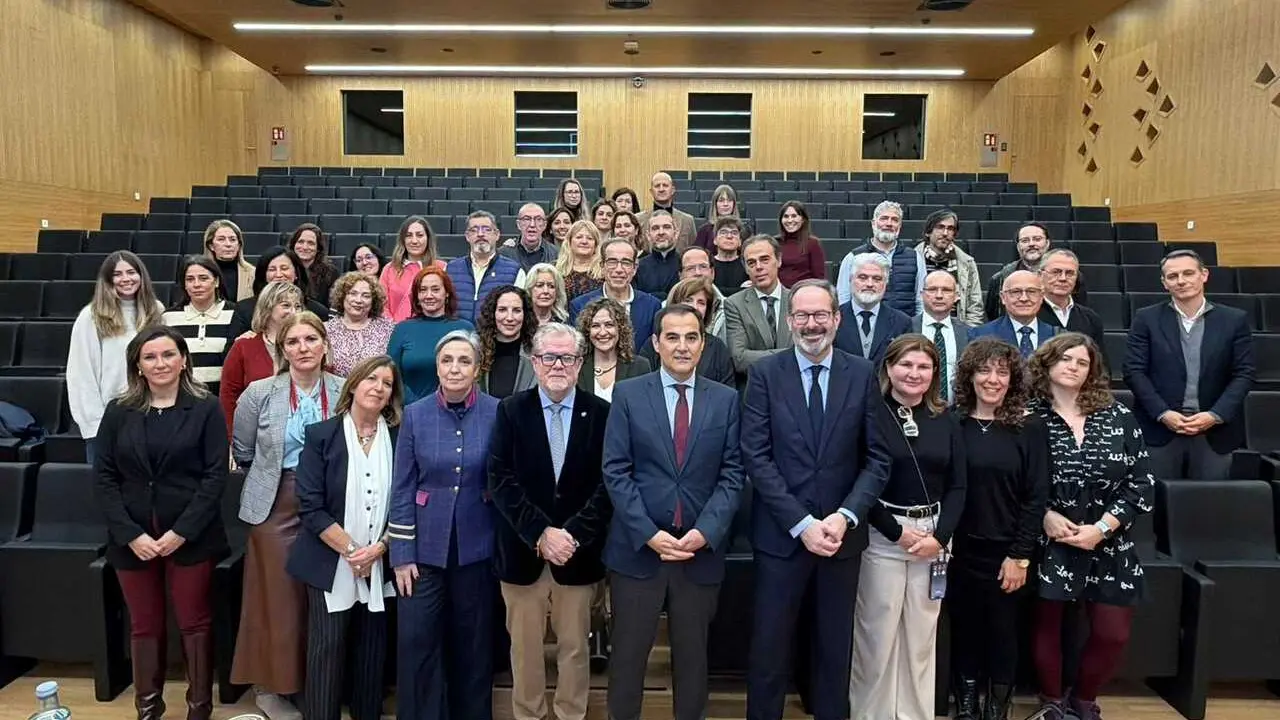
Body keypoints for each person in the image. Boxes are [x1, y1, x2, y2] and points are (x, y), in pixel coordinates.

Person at [741, 279, 891, 720]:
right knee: (769, 649)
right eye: (802, 316)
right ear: (790, 322)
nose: (811, 324)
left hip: (841, 539)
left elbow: (878, 459)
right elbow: (756, 455)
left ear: (837, 318)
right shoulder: (766, 374)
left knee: (833, 649)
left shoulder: (861, 373)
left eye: (820, 315)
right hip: (781, 539)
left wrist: (844, 517)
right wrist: (802, 523)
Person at [603, 304, 745, 720]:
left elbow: (733, 475)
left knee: (693, 662)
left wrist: (705, 532)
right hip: (638, 551)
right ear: (656, 342)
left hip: (698, 552)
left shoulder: (726, 400)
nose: (682, 346)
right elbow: (615, 469)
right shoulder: (628, 394)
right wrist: (648, 532)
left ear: (703, 344)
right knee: (627, 661)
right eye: (673, 337)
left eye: (691, 337)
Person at [94, 325, 228, 720]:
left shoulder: (206, 406)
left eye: (168, 354)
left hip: (191, 535)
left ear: (184, 359)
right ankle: (148, 708)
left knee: (194, 623)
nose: (160, 363)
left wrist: (180, 533)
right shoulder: (119, 410)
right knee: (144, 625)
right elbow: (103, 476)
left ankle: (199, 709)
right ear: (138, 364)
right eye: (150, 357)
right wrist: (130, 534)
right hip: (131, 537)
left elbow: (214, 476)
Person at [488, 323, 613, 720]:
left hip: (578, 555)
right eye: (548, 357)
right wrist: (541, 533)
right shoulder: (510, 410)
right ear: (535, 361)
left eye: (567, 357)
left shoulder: (601, 413)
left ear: (580, 362)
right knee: (523, 650)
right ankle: (529, 714)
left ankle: (571, 713)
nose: (557, 365)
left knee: (575, 648)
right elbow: (500, 479)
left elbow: (608, 484)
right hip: (523, 553)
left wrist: (571, 535)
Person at [1028, 333, 1154, 720]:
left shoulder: (1118, 415)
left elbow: (1141, 483)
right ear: (1048, 364)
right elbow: (1015, 481)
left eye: (1082, 362)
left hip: (1109, 541)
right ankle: (1051, 703)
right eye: (1065, 359)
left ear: (1092, 371)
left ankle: (1084, 700)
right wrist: (1045, 516)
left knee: (1112, 633)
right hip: (1049, 539)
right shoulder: (1027, 415)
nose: (1073, 367)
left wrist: (1101, 527)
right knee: (1046, 629)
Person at [232, 312, 346, 720]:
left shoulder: (343, 388)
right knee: (278, 600)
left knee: (317, 599)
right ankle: (274, 687)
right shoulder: (259, 392)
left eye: (311, 339)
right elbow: (243, 449)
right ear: (283, 350)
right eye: (293, 342)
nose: (303, 348)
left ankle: (314, 683)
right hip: (274, 503)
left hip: (329, 503)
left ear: (324, 344)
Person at [850, 334, 966, 720]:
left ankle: (916, 714)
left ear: (935, 373)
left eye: (924, 366)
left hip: (933, 538)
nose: (914, 373)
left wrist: (940, 538)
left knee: (921, 636)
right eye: (906, 364)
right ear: (888, 368)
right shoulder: (870, 413)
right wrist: (896, 532)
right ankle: (872, 713)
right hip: (884, 534)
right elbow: (859, 479)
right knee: (877, 632)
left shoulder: (945, 418)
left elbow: (958, 485)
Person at [388, 330, 501, 720]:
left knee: (472, 647)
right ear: (436, 366)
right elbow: (402, 487)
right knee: (418, 643)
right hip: (422, 552)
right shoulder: (415, 415)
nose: (455, 368)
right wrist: (401, 555)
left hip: (477, 547)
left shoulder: (497, 411)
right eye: (447, 360)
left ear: (477, 368)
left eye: (464, 361)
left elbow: (503, 479)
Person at [286, 355, 403, 720]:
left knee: (372, 653)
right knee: (327, 650)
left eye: (386, 383)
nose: (378, 387)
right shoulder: (322, 435)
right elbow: (310, 506)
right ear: (353, 384)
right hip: (331, 561)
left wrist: (379, 550)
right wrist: (354, 552)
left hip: (381, 562)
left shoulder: (400, 437)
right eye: (372, 379)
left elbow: (405, 503)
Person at [947, 338, 1049, 720]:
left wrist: (1020, 556)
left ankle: (998, 707)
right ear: (969, 376)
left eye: (1002, 372)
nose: (993, 379)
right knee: (966, 630)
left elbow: (1037, 496)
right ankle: (968, 704)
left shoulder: (1029, 427)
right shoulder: (953, 421)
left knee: (1004, 633)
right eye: (984, 371)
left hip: (1008, 551)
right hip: (959, 550)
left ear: (1012, 380)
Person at [1123, 249, 1254, 481]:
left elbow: (1244, 373)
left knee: (1208, 508)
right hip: (1160, 430)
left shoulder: (1234, 320)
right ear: (1164, 283)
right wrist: (1163, 413)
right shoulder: (1146, 318)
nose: (1181, 281)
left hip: (1215, 432)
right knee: (1155, 505)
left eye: (1188, 273)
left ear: (1204, 275)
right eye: (1172, 276)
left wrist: (1215, 415)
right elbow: (1134, 371)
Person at [68, 250, 166, 463]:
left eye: (131, 272)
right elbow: (81, 373)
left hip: (151, 414)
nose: (126, 279)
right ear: (107, 280)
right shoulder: (91, 316)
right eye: (117, 274)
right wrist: (94, 424)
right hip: (108, 419)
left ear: (141, 275)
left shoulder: (156, 311)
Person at [219, 282, 302, 438]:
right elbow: (228, 397)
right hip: (254, 437)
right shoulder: (244, 346)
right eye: (286, 305)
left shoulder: (308, 345)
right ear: (268, 308)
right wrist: (231, 440)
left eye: (298, 306)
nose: (293, 311)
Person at [386, 266, 475, 403]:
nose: (429, 295)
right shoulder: (402, 329)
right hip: (410, 411)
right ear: (417, 296)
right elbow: (391, 374)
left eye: (435, 289)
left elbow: (474, 374)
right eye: (423, 290)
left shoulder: (465, 328)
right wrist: (419, 407)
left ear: (446, 293)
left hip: (457, 409)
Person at [567, 238, 663, 353]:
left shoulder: (652, 306)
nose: (619, 269)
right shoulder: (580, 305)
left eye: (626, 263)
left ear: (635, 268)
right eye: (612, 262)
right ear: (602, 267)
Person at [725, 235, 792, 385]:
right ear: (746, 268)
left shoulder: (798, 300)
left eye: (765, 259)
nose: (759, 267)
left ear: (779, 260)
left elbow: (810, 351)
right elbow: (740, 359)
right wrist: (792, 355)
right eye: (751, 262)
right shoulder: (734, 304)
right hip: (755, 387)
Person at [163, 255, 235, 396]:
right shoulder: (168, 318)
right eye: (190, 279)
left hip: (223, 397)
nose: (196, 284)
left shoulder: (236, 314)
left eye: (203, 278)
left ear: (216, 281)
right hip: (182, 397)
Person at [986, 223, 1088, 322]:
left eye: (1037, 239)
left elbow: (1078, 313)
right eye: (1025, 240)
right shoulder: (1001, 278)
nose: (1031, 244)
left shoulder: (1071, 277)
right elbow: (993, 316)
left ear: (1047, 243)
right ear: (1018, 247)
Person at [838, 201, 924, 316]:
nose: (889, 223)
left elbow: (921, 300)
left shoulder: (915, 257)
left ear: (900, 226)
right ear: (873, 223)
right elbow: (843, 299)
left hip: (905, 328)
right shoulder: (853, 257)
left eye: (895, 220)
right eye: (884, 218)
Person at [226, 247, 331, 339]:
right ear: (264, 276)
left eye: (284, 268)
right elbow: (229, 354)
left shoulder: (318, 312)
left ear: (296, 274)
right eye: (272, 269)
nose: (279, 274)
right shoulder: (244, 309)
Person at [834, 253, 912, 369]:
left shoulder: (902, 322)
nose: (869, 284)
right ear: (850, 280)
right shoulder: (833, 318)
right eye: (863, 277)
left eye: (877, 279)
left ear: (886, 284)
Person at [448, 211, 526, 323]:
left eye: (487, 229)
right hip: (459, 337)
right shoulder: (451, 269)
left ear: (497, 235)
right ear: (467, 236)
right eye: (474, 230)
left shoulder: (515, 272)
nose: (480, 234)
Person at [910, 270, 972, 404]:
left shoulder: (969, 334)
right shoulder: (906, 328)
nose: (939, 295)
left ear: (956, 296)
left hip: (956, 414)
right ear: (922, 295)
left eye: (946, 290)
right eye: (932, 289)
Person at [913, 209, 984, 326]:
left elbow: (975, 305)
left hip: (956, 328)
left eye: (950, 229)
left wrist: (969, 334)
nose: (945, 233)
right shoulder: (912, 260)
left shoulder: (967, 263)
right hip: (920, 328)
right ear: (928, 232)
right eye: (940, 227)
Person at [1037, 249, 1108, 365]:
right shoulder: (1029, 315)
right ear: (1040, 275)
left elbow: (1101, 365)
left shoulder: (1090, 318)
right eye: (1056, 272)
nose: (1063, 278)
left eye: (1070, 273)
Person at [576, 297, 651, 403]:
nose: (602, 332)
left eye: (609, 325)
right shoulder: (577, 365)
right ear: (587, 331)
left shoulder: (640, 366)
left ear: (621, 328)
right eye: (595, 326)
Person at [971, 271, 1058, 358]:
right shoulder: (980, 335)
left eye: (1031, 291)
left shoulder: (1056, 336)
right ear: (1003, 297)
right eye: (1016, 292)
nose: (1024, 298)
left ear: (1041, 297)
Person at [324, 271, 395, 377]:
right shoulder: (325, 329)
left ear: (373, 301)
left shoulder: (389, 328)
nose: (358, 300)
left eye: (366, 296)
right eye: (353, 293)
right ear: (342, 296)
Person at [475, 285, 538, 399]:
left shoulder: (536, 354)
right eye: (502, 310)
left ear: (525, 315)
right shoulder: (477, 352)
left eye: (516, 310)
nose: (510, 317)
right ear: (492, 313)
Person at [380, 215, 446, 323]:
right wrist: (393, 327)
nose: (414, 241)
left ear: (428, 238)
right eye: (409, 236)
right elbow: (381, 305)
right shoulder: (389, 269)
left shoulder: (442, 267)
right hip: (394, 331)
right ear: (403, 240)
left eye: (419, 235)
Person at [673, 247, 726, 340]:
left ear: (712, 272)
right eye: (690, 268)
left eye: (703, 267)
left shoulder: (730, 308)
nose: (698, 273)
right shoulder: (665, 307)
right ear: (680, 275)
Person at [637, 172, 696, 249]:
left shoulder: (688, 220)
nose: (661, 189)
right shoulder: (638, 219)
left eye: (665, 185)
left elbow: (692, 249)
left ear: (672, 190)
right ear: (651, 191)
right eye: (657, 186)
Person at [287, 223, 339, 308]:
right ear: (293, 245)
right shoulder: (285, 270)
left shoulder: (331, 273)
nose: (304, 247)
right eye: (300, 242)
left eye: (310, 243)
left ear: (318, 248)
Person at [775, 201, 826, 287]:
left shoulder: (813, 243)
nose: (790, 220)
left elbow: (818, 278)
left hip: (803, 293)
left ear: (803, 219)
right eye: (786, 216)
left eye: (794, 216)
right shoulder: (774, 242)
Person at [203, 219, 255, 302]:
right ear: (211, 246)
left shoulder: (252, 273)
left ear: (239, 245)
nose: (228, 244)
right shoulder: (201, 273)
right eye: (221, 239)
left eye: (233, 239)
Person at [634, 211, 683, 297]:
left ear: (676, 233)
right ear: (648, 235)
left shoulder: (685, 264)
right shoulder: (638, 267)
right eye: (655, 228)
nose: (661, 232)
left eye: (666, 227)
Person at [554, 220, 604, 301]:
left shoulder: (604, 270)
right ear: (569, 242)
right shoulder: (555, 269)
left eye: (590, 238)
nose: (584, 241)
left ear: (596, 245)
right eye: (579, 237)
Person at [501, 203, 558, 271]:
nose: (532, 224)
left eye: (538, 219)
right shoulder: (504, 254)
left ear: (544, 225)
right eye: (527, 219)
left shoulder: (555, 254)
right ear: (519, 224)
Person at [695, 184, 747, 251]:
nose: (726, 204)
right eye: (721, 200)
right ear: (715, 204)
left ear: (734, 204)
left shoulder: (744, 229)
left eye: (729, 200)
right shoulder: (705, 230)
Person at [709, 216, 750, 295]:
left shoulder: (748, 264)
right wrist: (741, 290)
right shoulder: (707, 264)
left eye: (734, 233)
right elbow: (708, 290)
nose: (729, 236)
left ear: (740, 242)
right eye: (723, 232)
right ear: (715, 240)